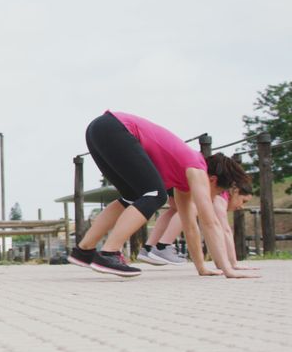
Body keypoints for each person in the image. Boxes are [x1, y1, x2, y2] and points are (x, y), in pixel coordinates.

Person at [68, 111, 254, 278]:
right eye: (219, 193)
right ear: (212, 179)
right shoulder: (197, 170)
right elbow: (209, 222)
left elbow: (190, 227)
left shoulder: (184, 179)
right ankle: (109, 253)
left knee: (131, 196)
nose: (214, 198)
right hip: (115, 128)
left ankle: (84, 250)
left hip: (100, 129)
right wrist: (228, 270)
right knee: (156, 194)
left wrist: (202, 267)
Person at [138, 182, 256, 270]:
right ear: (235, 191)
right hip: (182, 182)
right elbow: (224, 230)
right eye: (243, 201)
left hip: (171, 180)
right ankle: (162, 247)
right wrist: (233, 263)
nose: (242, 206)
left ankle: (148, 249)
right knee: (189, 208)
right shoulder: (221, 197)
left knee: (175, 209)